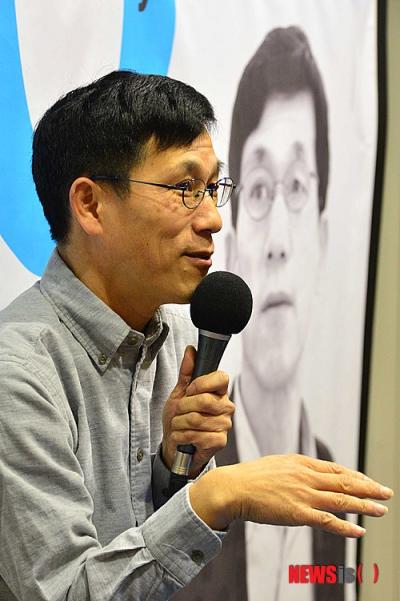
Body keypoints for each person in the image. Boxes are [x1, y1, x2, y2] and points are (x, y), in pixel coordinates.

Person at [0, 70, 392, 601]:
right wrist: (215, 495)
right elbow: (68, 591)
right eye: (184, 189)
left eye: (213, 188)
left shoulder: (183, 333)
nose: (212, 219)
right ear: (91, 204)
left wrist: (175, 465)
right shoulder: (18, 374)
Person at [175, 26, 353, 601]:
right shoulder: (187, 466)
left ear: (322, 237)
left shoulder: (332, 479)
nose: (278, 241)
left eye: (297, 187)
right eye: (256, 190)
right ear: (233, 239)